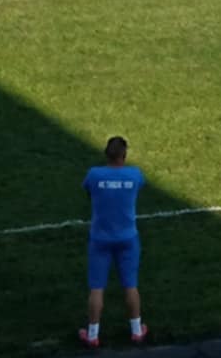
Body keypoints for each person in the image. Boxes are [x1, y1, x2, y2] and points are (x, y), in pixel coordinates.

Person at [81, 135, 148, 348]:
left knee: (96, 288)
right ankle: (136, 330)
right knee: (130, 285)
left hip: (100, 238)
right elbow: (139, 187)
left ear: (106, 154)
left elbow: (88, 192)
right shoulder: (135, 174)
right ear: (124, 155)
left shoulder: (94, 175)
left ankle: (93, 334)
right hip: (128, 237)